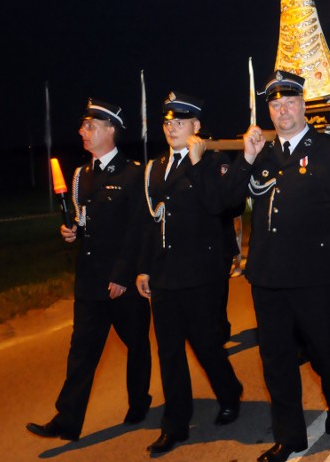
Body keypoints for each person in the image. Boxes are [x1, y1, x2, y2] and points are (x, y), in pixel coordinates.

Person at [225, 70, 330, 462]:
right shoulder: (262, 155)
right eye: (275, 104)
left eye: (289, 102)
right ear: (268, 110)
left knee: (325, 351)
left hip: (313, 275)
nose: (282, 110)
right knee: (275, 359)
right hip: (267, 277)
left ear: (303, 105)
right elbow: (229, 203)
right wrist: (246, 157)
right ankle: (290, 436)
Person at [27, 99, 152, 441]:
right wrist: (73, 231)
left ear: (110, 131)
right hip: (90, 279)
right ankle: (67, 420)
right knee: (81, 350)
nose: (83, 132)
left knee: (137, 344)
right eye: (83, 127)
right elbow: (85, 219)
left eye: (90, 127)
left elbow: (139, 229)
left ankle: (140, 401)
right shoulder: (82, 174)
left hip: (122, 282)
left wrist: (124, 275)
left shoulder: (134, 173)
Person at [135, 92, 243, 454]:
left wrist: (196, 165)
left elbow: (220, 206)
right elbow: (151, 222)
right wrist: (144, 268)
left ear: (196, 127)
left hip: (200, 274)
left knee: (206, 344)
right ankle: (175, 423)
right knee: (169, 353)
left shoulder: (214, 163)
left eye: (179, 122)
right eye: (167, 123)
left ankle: (229, 392)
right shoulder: (155, 167)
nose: (171, 128)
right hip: (165, 275)